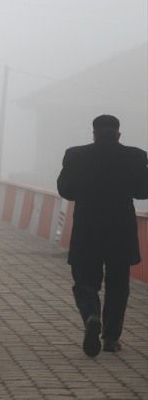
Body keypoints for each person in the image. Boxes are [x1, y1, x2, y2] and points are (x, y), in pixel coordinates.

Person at [57, 115, 148, 357]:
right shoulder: (137, 156)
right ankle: (110, 338)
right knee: (118, 284)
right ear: (118, 135)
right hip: (121, 228)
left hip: (87, 227)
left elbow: (66, 190)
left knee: (85, 280)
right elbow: (143, 191)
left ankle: (91, 315)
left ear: (94, 134)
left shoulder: (76, 154)